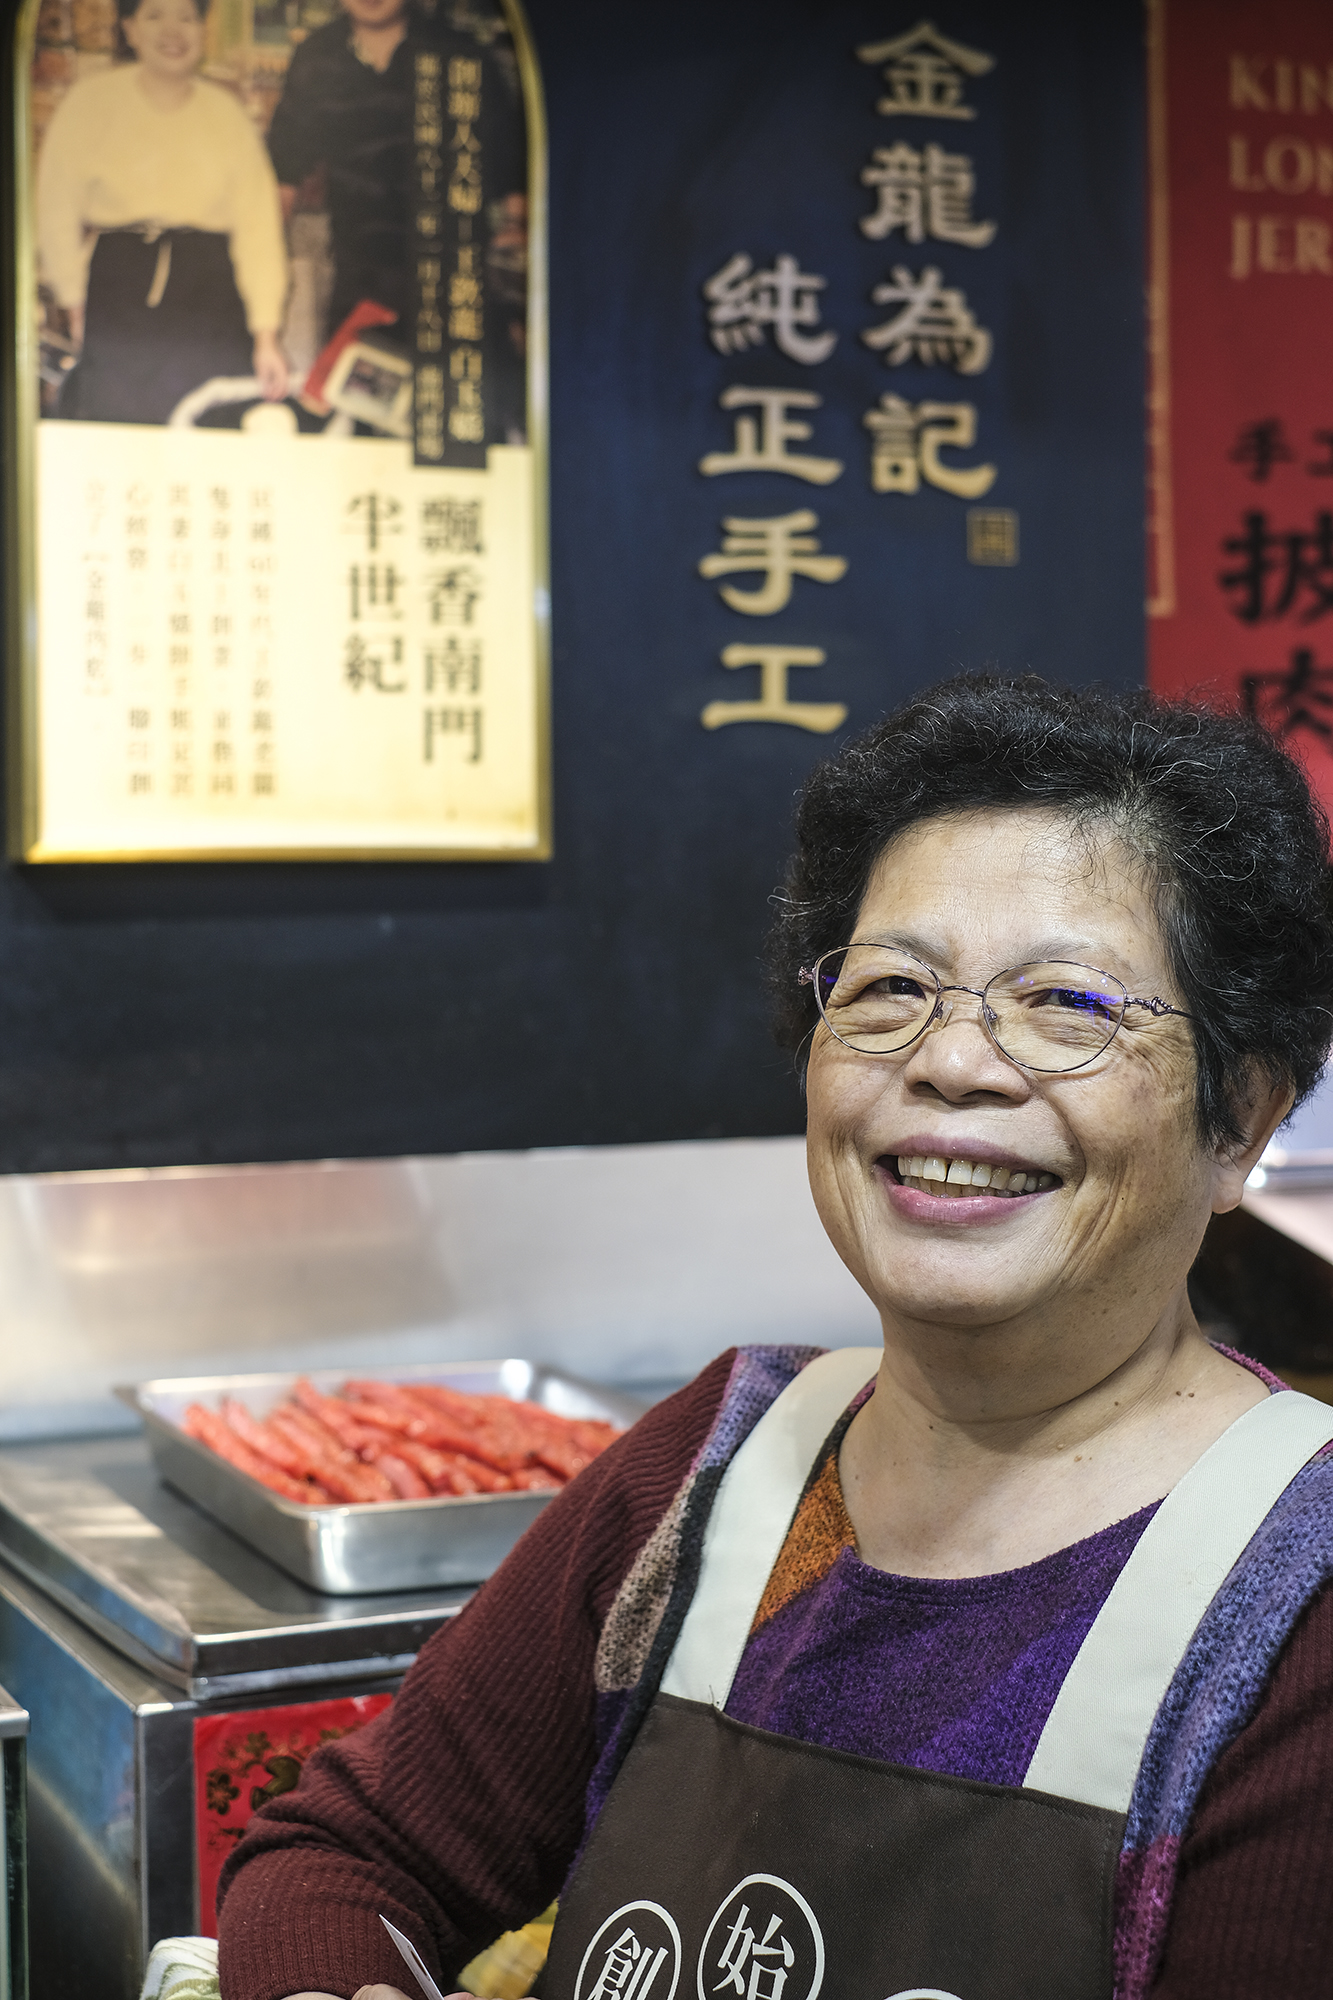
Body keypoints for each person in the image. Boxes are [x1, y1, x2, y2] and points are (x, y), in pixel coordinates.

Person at [214, 676, 1333, 2000]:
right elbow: (351, 1852)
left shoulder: (1296, 1603)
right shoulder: (714, 1464)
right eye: (892, 986)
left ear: (1240, 1117)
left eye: (1065, 1003)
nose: (951, 1062)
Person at [265, 0, 527, 439]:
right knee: (362, 433)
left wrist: (517, 282)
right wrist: (265, 300)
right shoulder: (317, 57)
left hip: (456, 286)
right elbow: (283, 177)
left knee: (462, 433)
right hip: (359, 288)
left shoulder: (460, 51)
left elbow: (512, 176)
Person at [36, 0, 289, 424]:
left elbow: (259, 230)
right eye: (154, 15)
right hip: (119, 283)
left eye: (187, 17)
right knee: (119, 424)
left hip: (212, 289)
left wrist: (266, 335)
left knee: (212, 426)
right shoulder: (90, 103)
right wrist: (74, 302)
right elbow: (55, 210)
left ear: (203, 29)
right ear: (130, 28)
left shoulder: (226, 116)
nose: (173, 31)